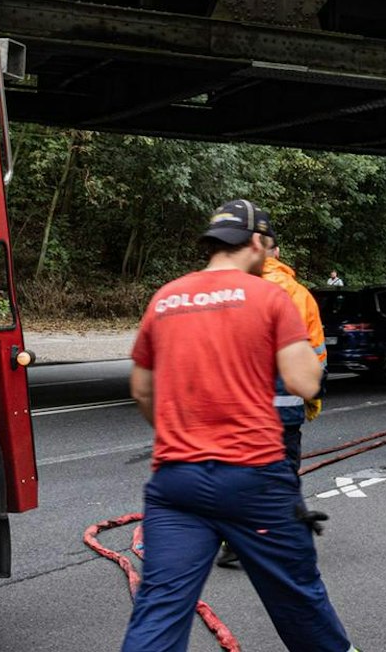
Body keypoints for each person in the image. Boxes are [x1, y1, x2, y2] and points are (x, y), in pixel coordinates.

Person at [121, 200, 356, 652]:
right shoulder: (273, 296)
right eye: (266, 246)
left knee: (161, 606)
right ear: (254, 243)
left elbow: (142, 390)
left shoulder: (166, 297)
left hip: (176, 482)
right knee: (298, 598)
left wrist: (179, 434)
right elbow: (305, 382)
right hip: (255, 479)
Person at [219, 235, 330, 570]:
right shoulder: (299, 295)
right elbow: (317, 359)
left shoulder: (231, 289)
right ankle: (286, 546)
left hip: (239, 410)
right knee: (282, 476)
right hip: (284, 411)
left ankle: (234, 542)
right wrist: (311, 401)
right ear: (277, 252)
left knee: (240, 473)